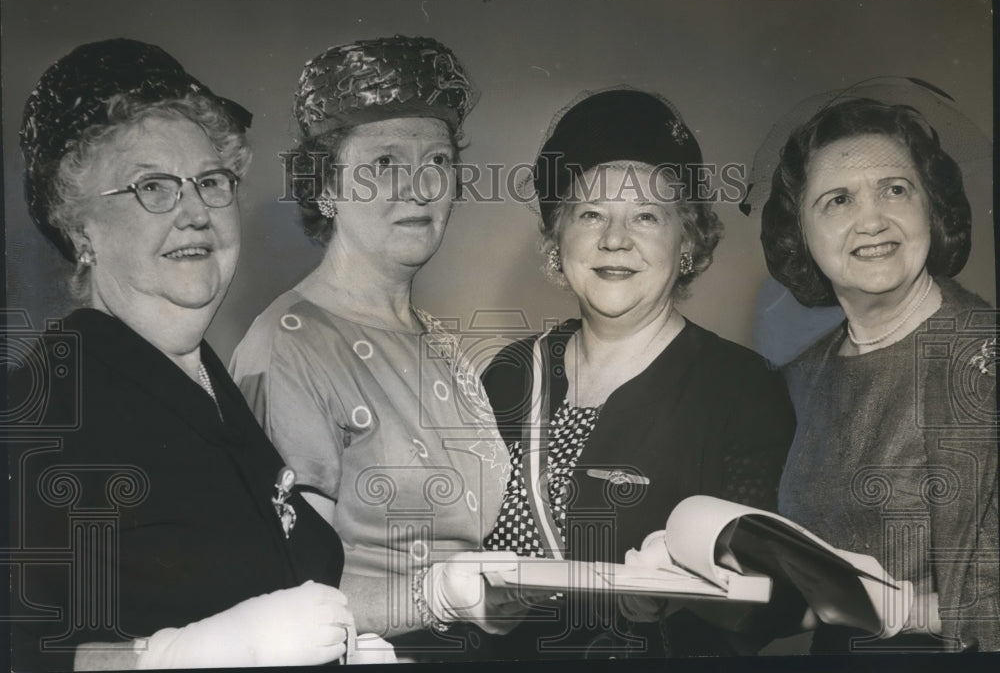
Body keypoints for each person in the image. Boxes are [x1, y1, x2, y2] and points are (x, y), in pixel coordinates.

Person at [7, 39, 367, 671]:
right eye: (154, 187)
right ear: (80, 227)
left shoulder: (208, 382)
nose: (196, 211)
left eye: (210, 181)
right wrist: (181, 653)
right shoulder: (42, 407)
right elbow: (22, 652)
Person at [230, 36, 525, 659]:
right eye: (385, 163)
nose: (419, 189)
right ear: (324, 189)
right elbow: (291, 587)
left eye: (438, 162)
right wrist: (439, 596)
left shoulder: (444, 347)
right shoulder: (289, 348)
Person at [479, 88, 797, 658]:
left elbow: (764, 595)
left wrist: (680, 594)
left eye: (646, 215)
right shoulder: (507, 375)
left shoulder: (742, 388)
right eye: (591, 213)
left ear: (688, 240)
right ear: (557, 238)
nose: (614, 240)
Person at [758, 90, 998, 652]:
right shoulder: (797, 379)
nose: (871, 220)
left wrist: (911, 611)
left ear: (931, 209)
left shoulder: (985, 358)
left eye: (895, 189)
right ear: (802, 234)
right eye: (838, 200)